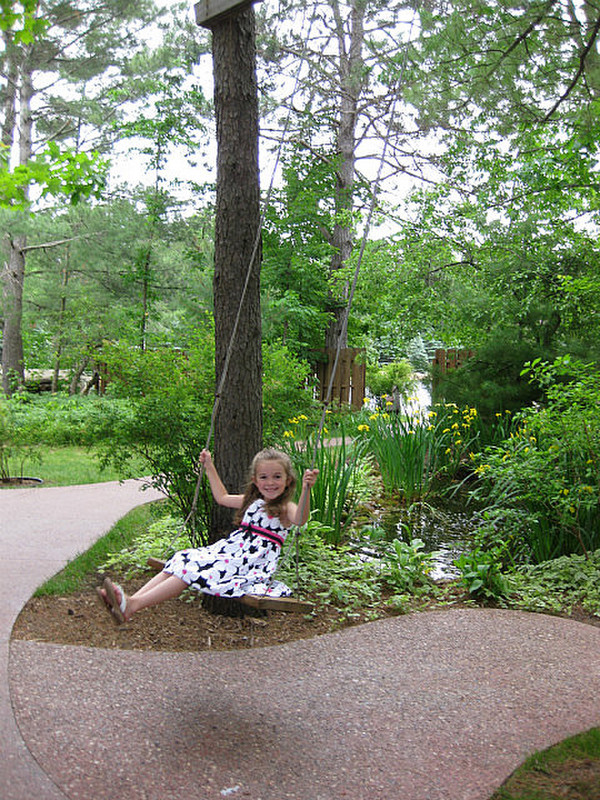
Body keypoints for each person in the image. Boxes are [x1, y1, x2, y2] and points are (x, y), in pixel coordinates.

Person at [98, 447, 319, 624]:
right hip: (229, 552)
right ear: (255, 480)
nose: (270, 482)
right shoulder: (251, 501)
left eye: (277, 477)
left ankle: (132, 605)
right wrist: (210, 466)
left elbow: (300, 519)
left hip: (249, 563)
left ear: (288, 480)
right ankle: (128, 603)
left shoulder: (286, 507)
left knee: (191, 570)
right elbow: (221, 497)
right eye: (264, 477)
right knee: (182, 558)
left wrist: (306, 491)